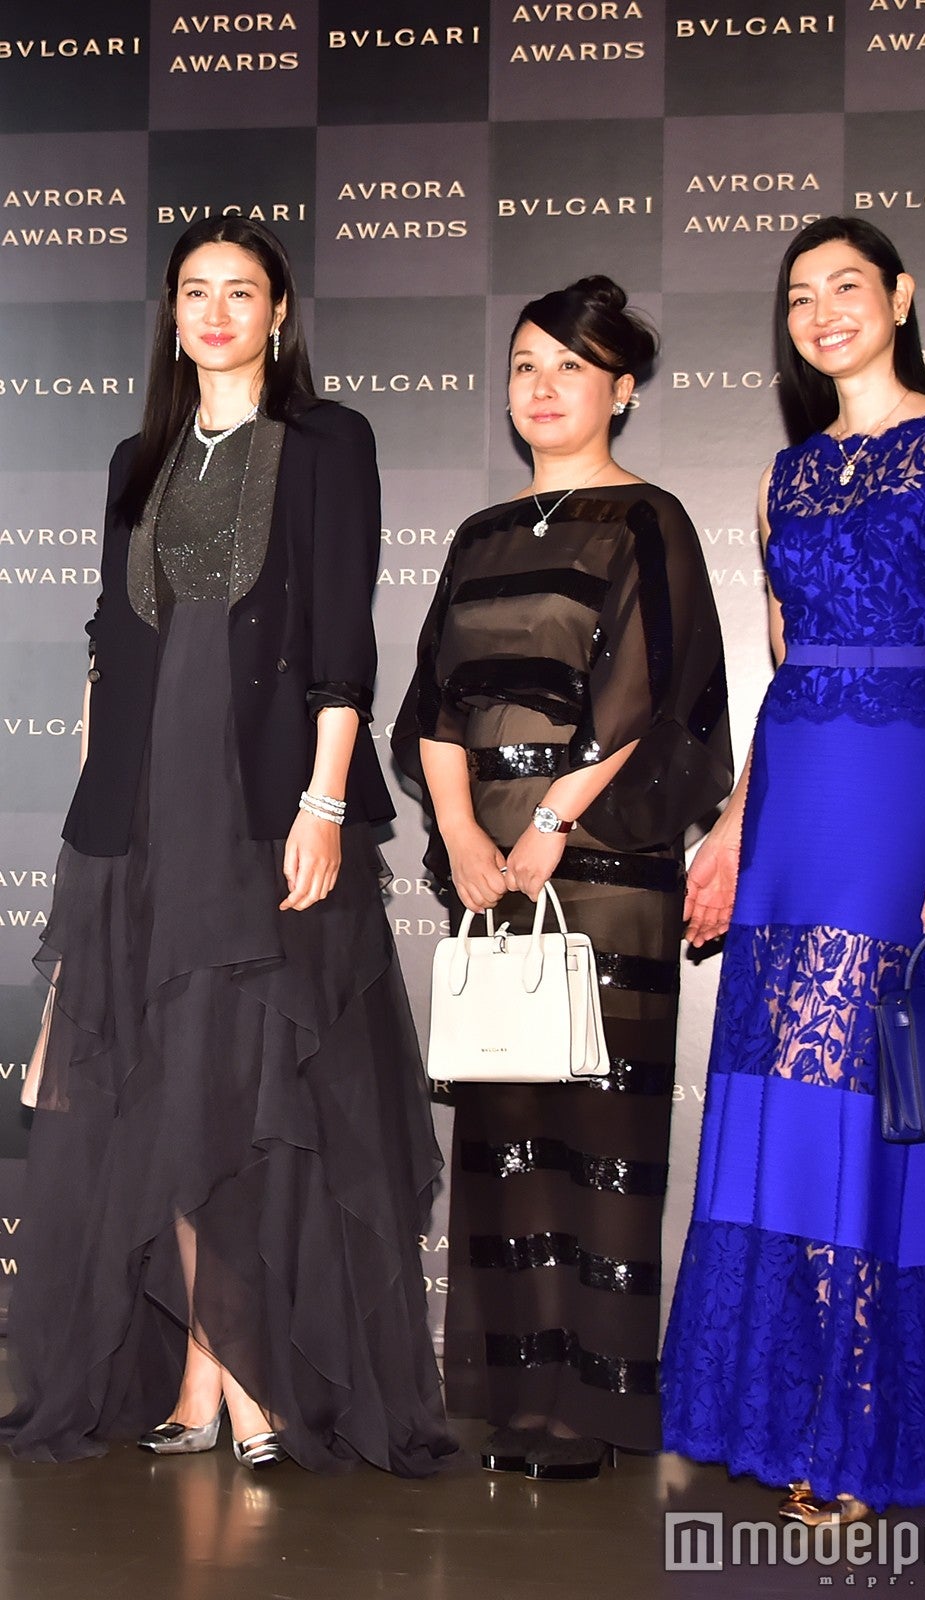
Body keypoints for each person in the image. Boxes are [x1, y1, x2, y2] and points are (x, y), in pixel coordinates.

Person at [0, 215, 455, 1476]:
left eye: (239, 291)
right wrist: (94, 822)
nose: (214, 312)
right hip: (143, 809)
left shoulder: (327, 442)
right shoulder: (134, 459)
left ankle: (241, 1370)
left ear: (279, 312)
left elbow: (342, 635)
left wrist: (323, 803)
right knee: (168, 1081)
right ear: (171, 311)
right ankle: (208, 1368)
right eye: (194, 291)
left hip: (261, 800)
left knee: (250, 1081)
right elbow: (109, 642)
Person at [660, 217, 925, 1520]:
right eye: (801, 294)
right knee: (772, 1085)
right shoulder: (784, 477)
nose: (823, 312)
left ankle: (852, 1430)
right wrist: (733, 825)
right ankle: (765, 1408)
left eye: (847, 286)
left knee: (855, 1087)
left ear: (900, 297)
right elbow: (784, 669)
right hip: (796, 795)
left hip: (896, 791)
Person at [393, 276, 732, 1481]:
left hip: (601, 860)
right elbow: (435, 708)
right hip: (489, 866)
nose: (543, 388)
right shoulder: (479, 536)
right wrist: (462, 836)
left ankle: (593, 1404)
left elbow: (647, 694)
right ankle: (514, 1390)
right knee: (508, 1129)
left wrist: (547, 820)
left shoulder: (648, 520)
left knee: (598, 1129)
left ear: (621, 390)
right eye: (526, 366)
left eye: (572, 368)